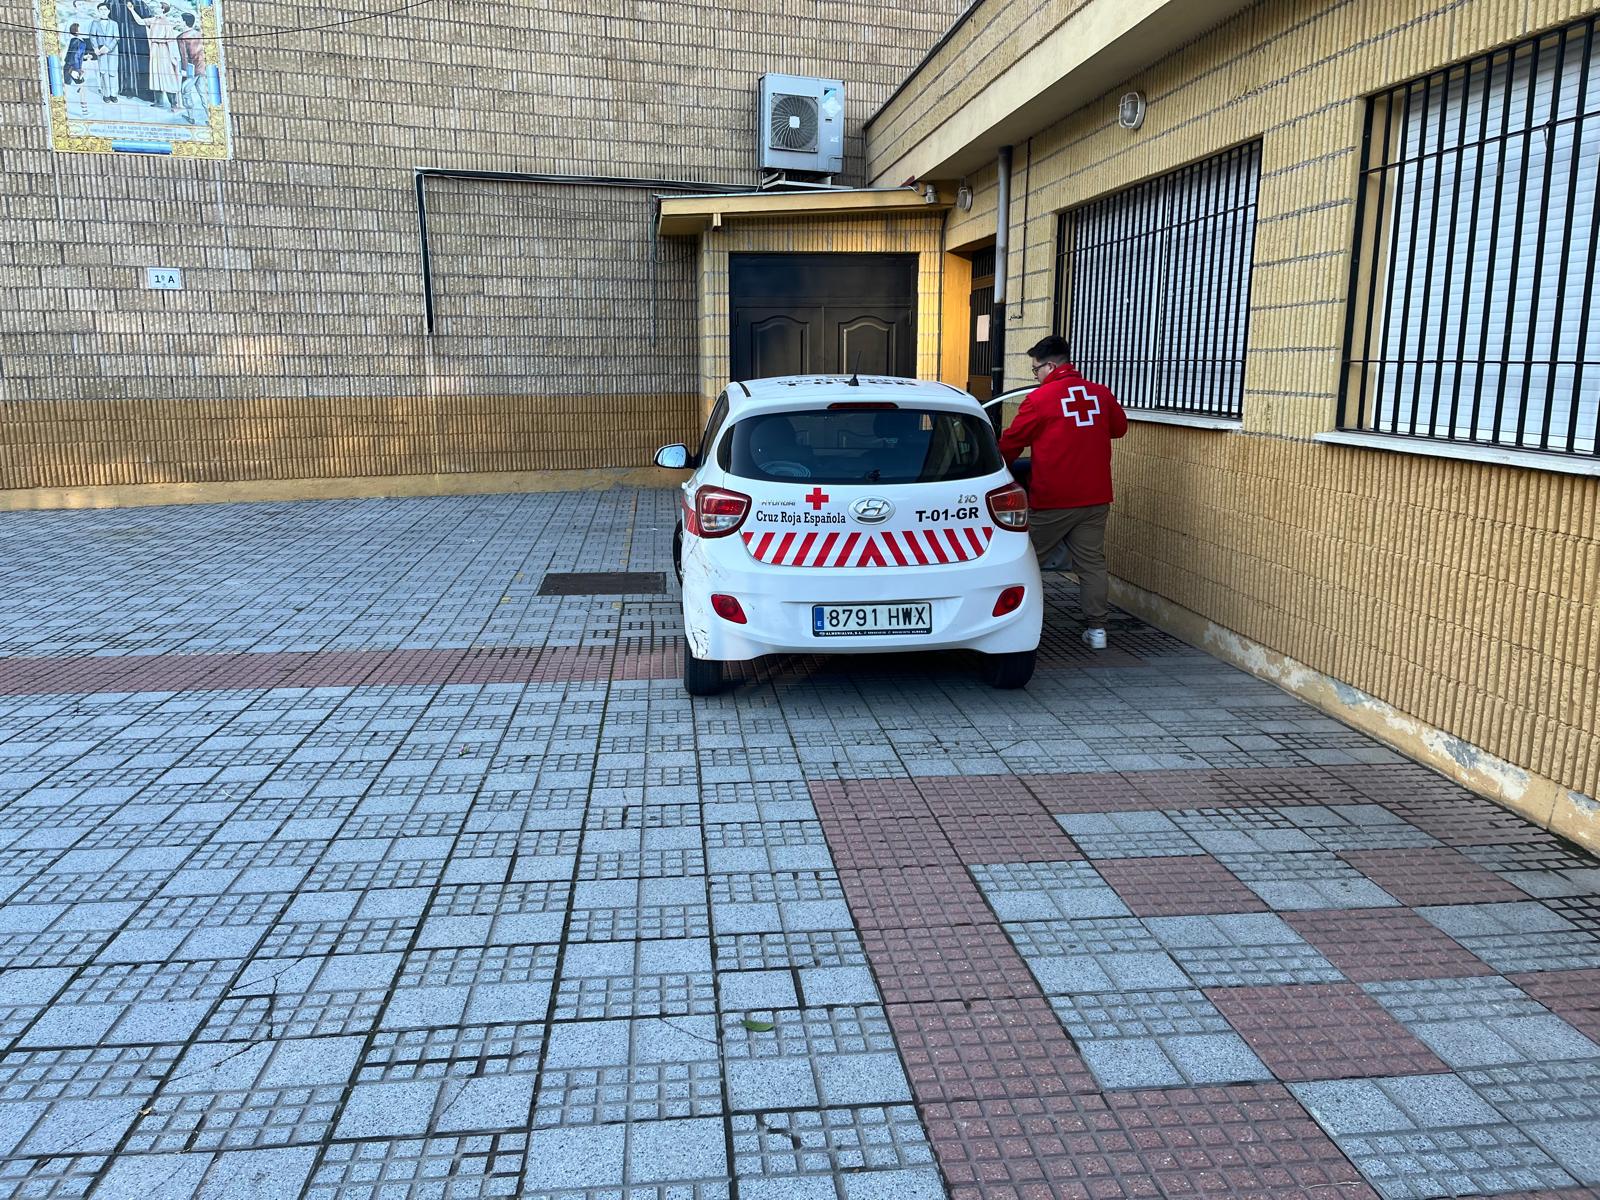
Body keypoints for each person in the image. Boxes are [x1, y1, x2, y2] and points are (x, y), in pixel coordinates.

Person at [998, 335, 1127, 650]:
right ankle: (1098, 631)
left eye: (1036, 370)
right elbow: (1119, 429)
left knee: (1025, 561)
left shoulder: (1040, 400)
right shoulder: (1100, 393)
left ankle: (1011, 624)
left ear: (1050, 366)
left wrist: (996, 474)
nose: (1035, 376)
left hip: (1053, 499)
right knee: (1092, 564)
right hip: (1096, 497)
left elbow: (1012, 443)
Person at [122, 0, 181, 112]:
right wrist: (131, 10)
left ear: (163, 9)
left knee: (167, 75)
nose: (155, 8)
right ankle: (159, 101)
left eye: (158, 7)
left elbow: (171, 40)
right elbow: (140, 21)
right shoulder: (153, 20)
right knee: (155, 74)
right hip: (154, 49)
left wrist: (173, 56)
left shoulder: (166, 22)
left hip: (164, 50)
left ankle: (174, 104)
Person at [176, 11, 205, 123]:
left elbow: (184, 56)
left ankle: (191, 117)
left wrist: (184, 70)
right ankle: (209, 117)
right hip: (201, 67)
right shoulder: (199, 34)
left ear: (184, 22)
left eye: (180, 20)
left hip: (190, 69)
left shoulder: (182, 37)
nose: (179, 22)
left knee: (185, 91)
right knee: (203, 93)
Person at [89, 4, 120, 104]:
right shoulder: (95, 23)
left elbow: (117, 38)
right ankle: (106, 94)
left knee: (112, 72)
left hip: (112, 51)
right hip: (100, 51)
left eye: (105, 9)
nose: (103, 11)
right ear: (98, 11)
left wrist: (108, 47)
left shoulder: (114, 24)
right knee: (103, 72)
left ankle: (113, 94)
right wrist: (95, 48)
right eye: (101, 9)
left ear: (109, 11)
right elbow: (92, 36)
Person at [63, 24, 93, 115]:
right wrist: (78, 69)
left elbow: (76, 55)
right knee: (82, 88)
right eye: (80, 28)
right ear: (77, 31)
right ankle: (85, 112)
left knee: (67, 87)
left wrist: (84, 57)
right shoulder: (78, 42)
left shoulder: (75, 40)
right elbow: (75, 56)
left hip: (69, 67)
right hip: (73, 68)